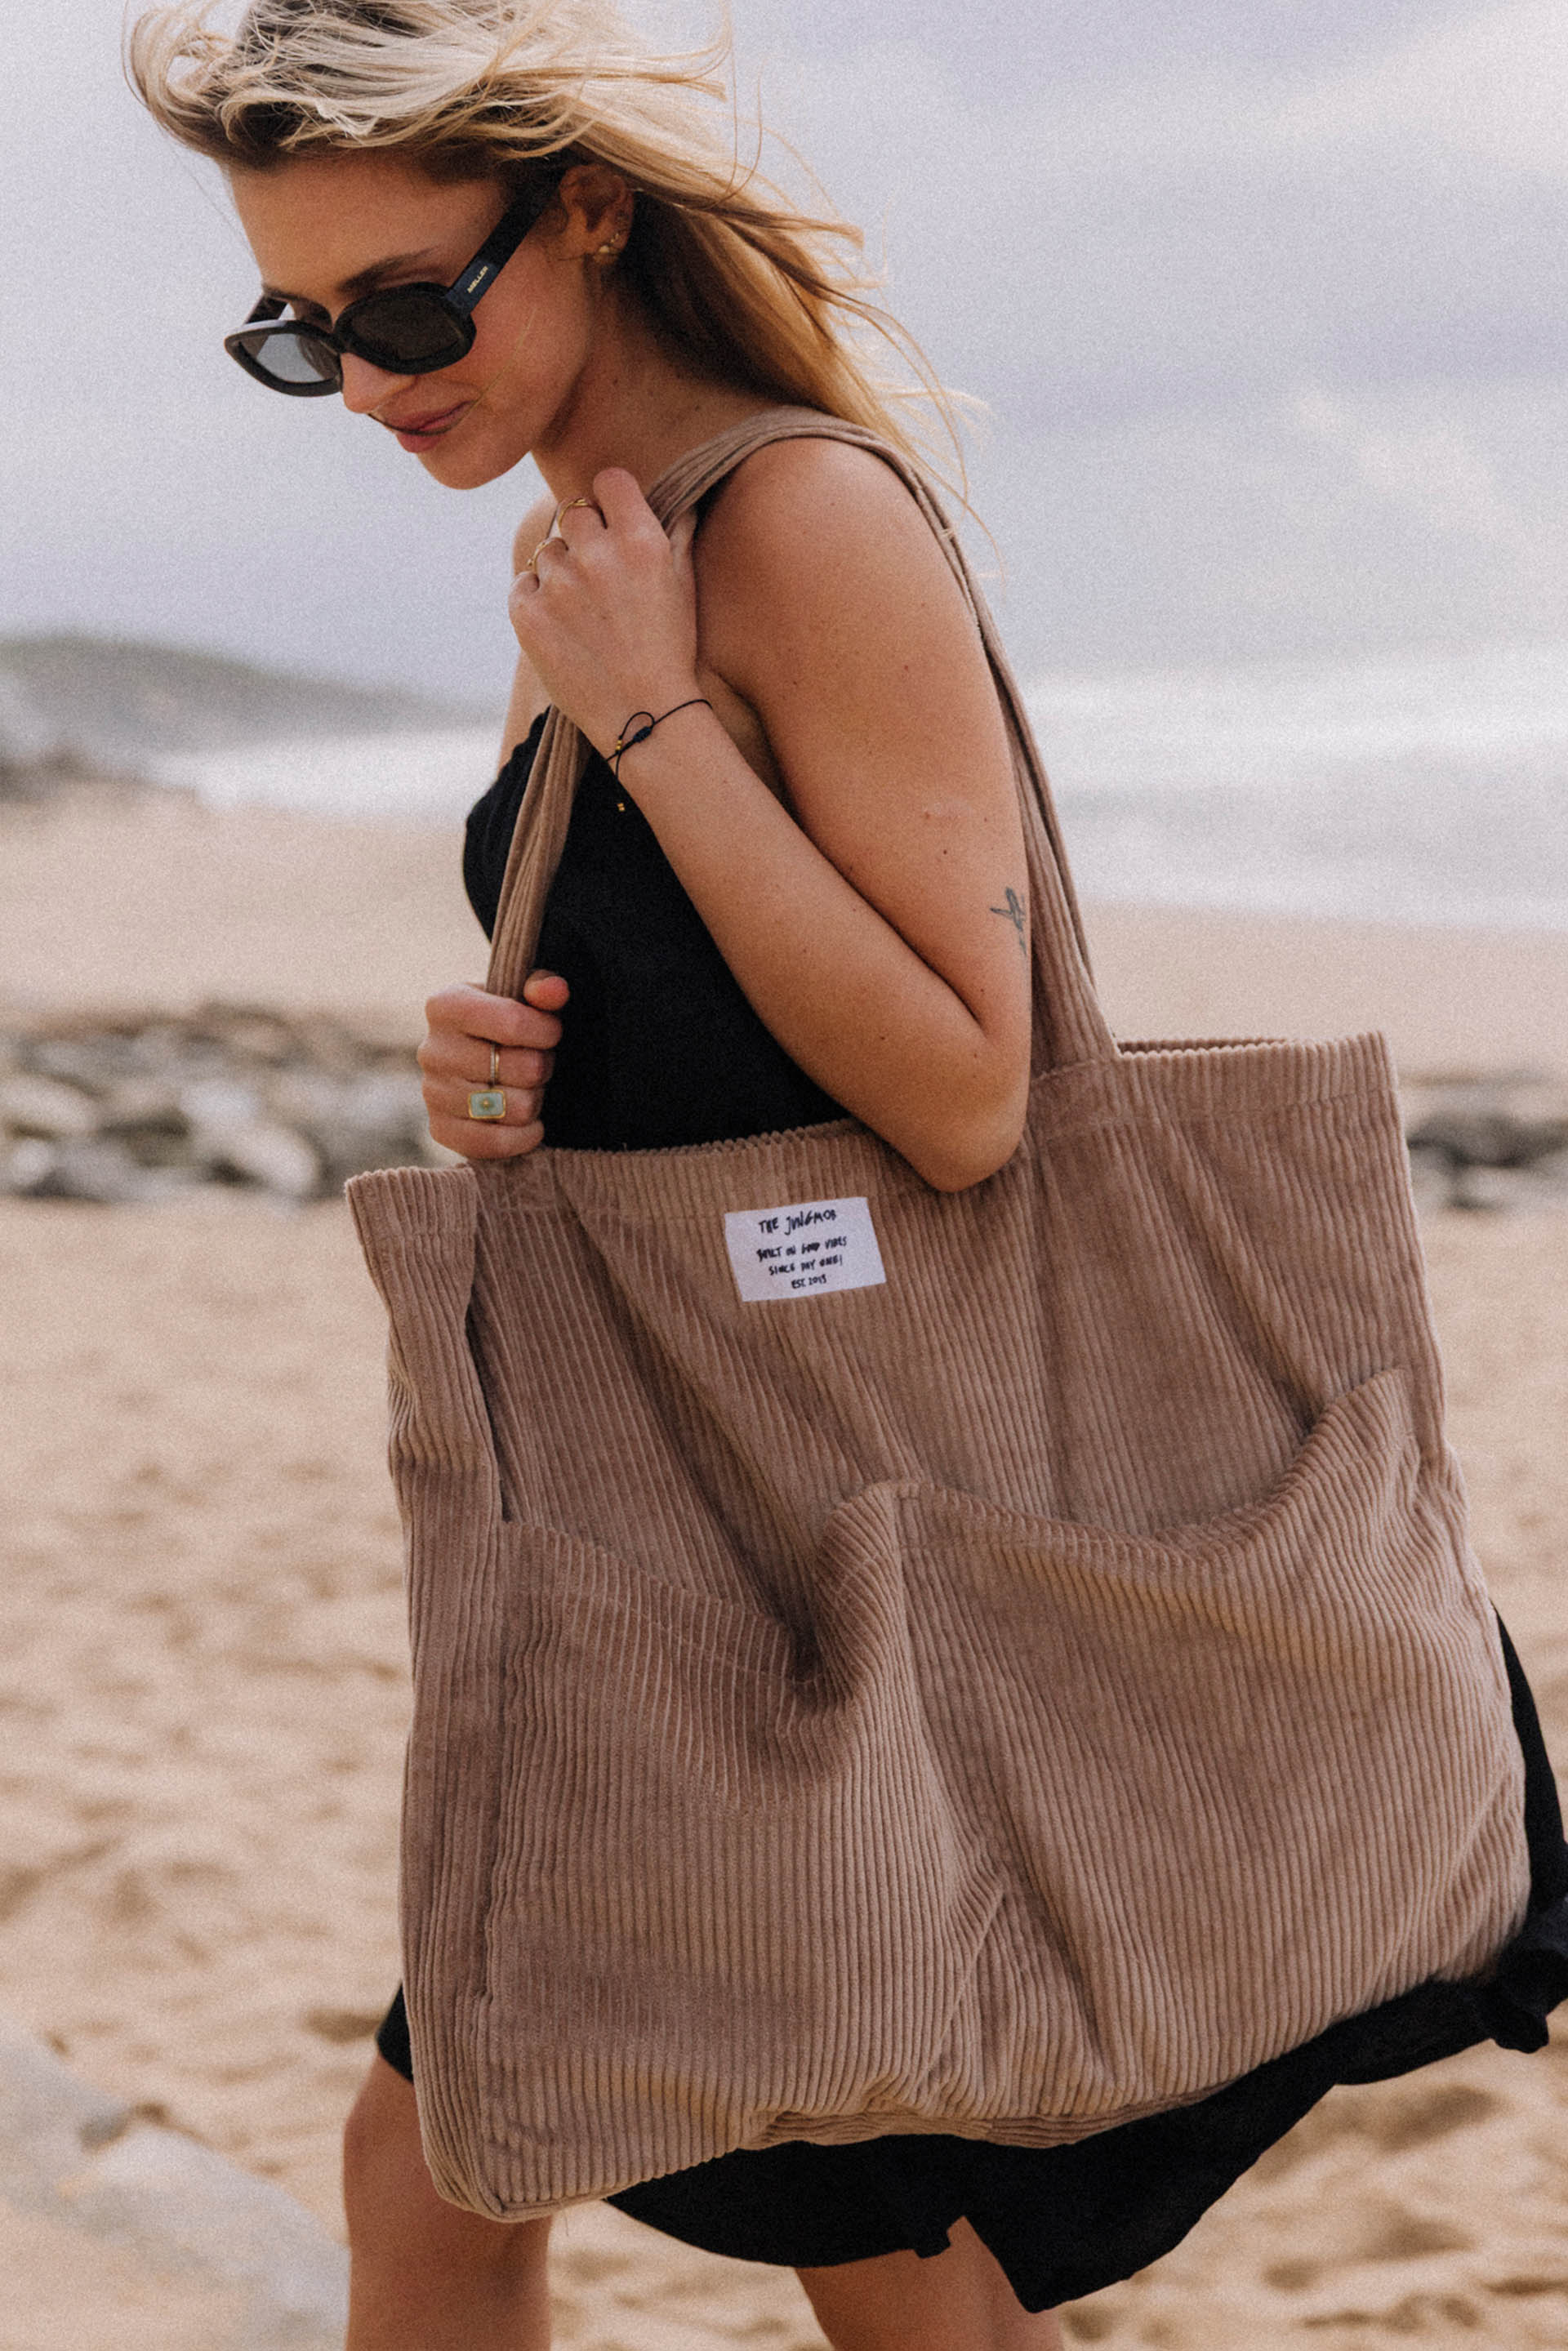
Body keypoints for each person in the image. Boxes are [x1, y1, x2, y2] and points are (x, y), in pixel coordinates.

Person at [130, 6, 1567, 2349]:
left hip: (852, 1538)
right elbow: (724, 1025)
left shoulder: (794, 518)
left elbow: (975, 1092)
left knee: (701, 2202)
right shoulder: (597, 553)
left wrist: (655, 718)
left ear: (588, 213)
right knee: (527, 2167)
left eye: (406, 308)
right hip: (712, 1523)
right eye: (302, 335)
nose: (371, 383)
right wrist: (503, 1075)